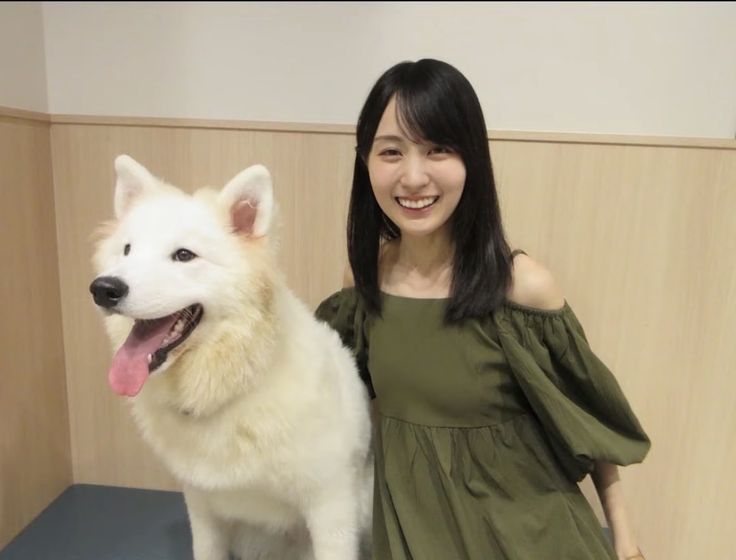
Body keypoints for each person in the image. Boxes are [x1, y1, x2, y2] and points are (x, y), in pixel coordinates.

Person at [315, 58, 650, 560]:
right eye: (391, 151)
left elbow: (588, 420)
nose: (413, 176)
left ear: (471, 158)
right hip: (415, 531)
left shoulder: (522, 288)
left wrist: (624, 539)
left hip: (528, 535)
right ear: (366, 162)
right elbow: (327, 395)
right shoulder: (364, 284)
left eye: (438, 149)